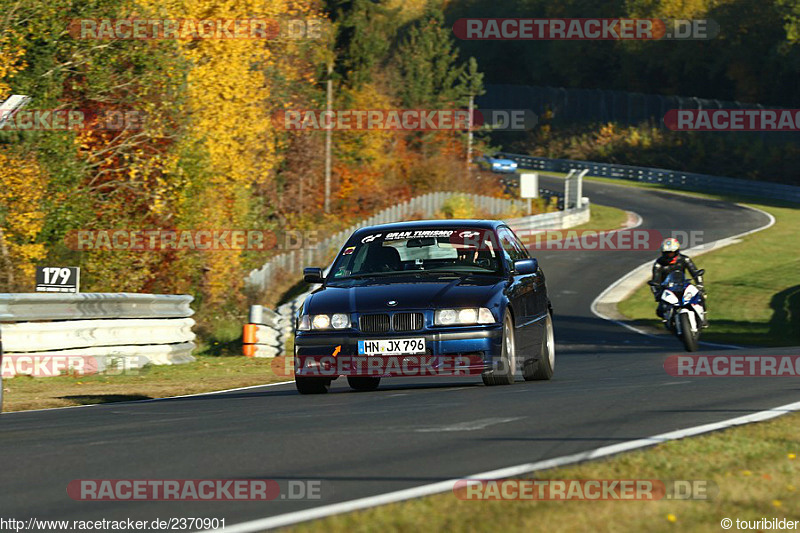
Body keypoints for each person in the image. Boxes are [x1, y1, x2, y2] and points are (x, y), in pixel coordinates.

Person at [650, 237, 708, 327]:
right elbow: (655, 281)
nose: (669, 256)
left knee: (699, 295)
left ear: (677, 251)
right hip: (667, 288)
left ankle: (703, 317)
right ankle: (669, 321)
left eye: (672, 253)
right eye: (667, 253)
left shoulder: (685, 259)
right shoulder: (658, 264)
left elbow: (695, 272)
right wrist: (657, 293)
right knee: (660, 310)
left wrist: (700, 286)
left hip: (683, 284)